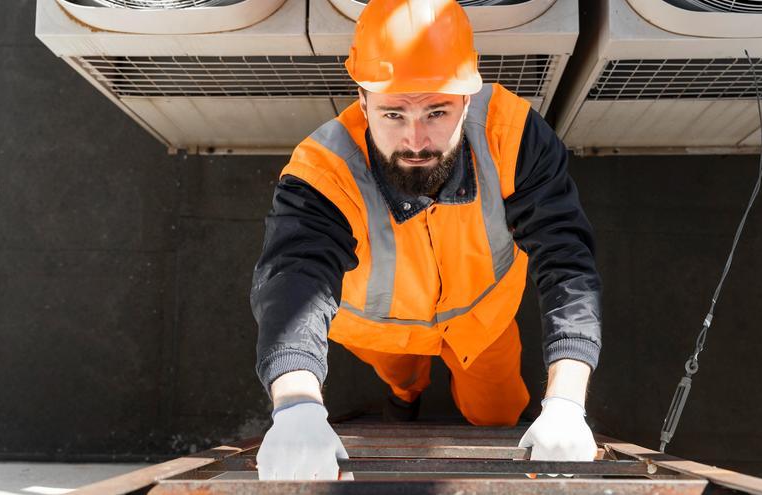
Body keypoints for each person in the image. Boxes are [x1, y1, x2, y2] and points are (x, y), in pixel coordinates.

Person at [251, 0, 603, 481]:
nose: (416, 141)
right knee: (401, 376)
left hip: (483, 321)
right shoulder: (323, 172)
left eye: (436, 111)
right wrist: (295, 405)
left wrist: (565, 400)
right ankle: (405, 398)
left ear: (466, 98)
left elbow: (568, 261)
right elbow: (294, 278)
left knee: (499, 411)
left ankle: (426, 400)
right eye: (393, 114)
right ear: (362, 100)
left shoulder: (513, 135)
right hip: (381, 328)